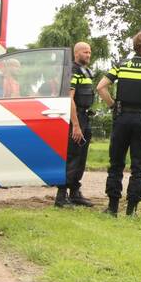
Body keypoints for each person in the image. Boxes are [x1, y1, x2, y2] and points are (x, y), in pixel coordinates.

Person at [97, 31, 141, 217]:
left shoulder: (121, 65)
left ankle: (112, 207)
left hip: (121, 118)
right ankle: (131, 210)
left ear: (134, 46)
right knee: (138, 166)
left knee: (116, 164)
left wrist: (113, 105)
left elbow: (100, 87)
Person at [55, 42, 96, 208]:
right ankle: (61, 196)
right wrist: (76, 126)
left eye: (90, 52)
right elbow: (69, 99)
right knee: (72, 157)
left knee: (81, 158)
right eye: (85, 52)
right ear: (76, 53)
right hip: (76, 117)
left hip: (85, 117)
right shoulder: (73, 70)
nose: (88, 55)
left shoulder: (85, 71)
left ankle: (75, 193)